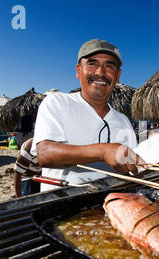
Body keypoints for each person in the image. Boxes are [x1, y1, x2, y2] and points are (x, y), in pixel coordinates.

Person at [32, 39, 145, 191]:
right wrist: (103, 151)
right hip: (61, 205)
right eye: (92, 64)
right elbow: (44, 154)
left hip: (111, 206)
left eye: (109, 66)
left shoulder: (123, 120)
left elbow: (133, 167)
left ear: (117, 76)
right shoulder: (57, 102)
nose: (100, 73)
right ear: (78, 70)